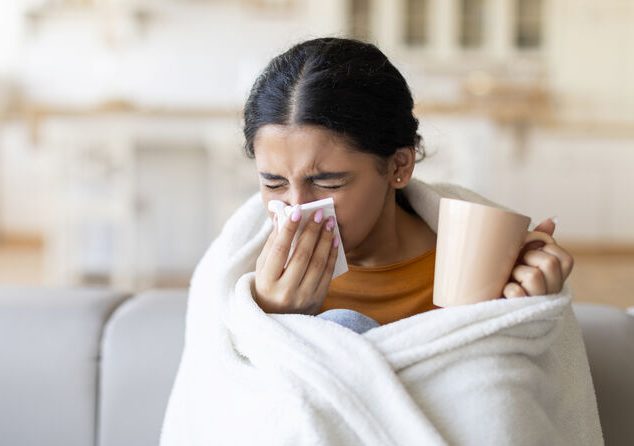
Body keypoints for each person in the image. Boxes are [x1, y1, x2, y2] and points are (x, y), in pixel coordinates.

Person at [243, 37, 574, 333]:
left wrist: (528, 315)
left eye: (328, 182)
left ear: (398, 166)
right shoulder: (247, 270)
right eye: (274, 183)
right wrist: (270, 320)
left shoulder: (477, 265)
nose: (296, 209)